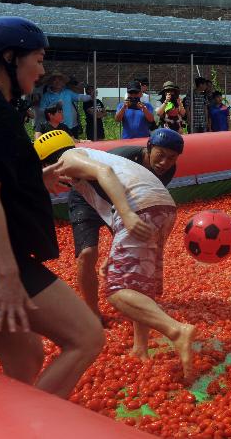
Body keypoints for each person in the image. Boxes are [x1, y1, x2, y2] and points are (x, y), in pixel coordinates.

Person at [0, 16, 104, 399]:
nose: (41, 70)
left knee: (26, 359)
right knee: (87, 336)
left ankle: (7, 422)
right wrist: (8, 276)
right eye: (38, 59)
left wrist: (34, 181)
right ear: (10, 58)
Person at [35, 130, 195, 380]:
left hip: (138, 207)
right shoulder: (99, 156)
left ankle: (176, 331)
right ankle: (140, 348)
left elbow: (105, 174)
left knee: (117, 290)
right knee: (138, 284)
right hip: (163, 208)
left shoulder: (69, 158)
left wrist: (128, 215)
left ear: (47, 162)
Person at [67, 128, 183, 318]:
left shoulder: (167, 171)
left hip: (123, 205)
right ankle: (92, 311)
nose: (164, 163)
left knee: (134, 251)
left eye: (171, 158)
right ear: (149, 147)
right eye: (160, 155)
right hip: (88, 198)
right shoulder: (125, 156)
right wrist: (126, 216)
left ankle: (134, 304)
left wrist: (117, 247)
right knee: (87, 254)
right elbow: (99, 173)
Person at [39, 71, 90, 137]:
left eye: (60, 80)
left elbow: (79, 97)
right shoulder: (46, 96)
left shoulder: (68, 92)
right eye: (54, 80)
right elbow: (42, 111)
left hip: (72, 126)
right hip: (56, 128)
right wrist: (53, 108)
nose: (58, 82)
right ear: (50, 82)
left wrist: (91, 97)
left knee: (74, 145)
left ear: (63, 82)